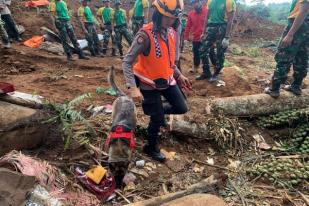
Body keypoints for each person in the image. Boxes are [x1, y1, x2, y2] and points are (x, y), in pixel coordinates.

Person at [122, 0, 192, 162]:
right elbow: (127, 62)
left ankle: (156, 111)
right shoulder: (144, 35)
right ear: (158, 14)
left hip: (167, 80)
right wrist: (132, 88)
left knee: (182, 107)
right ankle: (150, 147)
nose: (170, 21)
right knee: (158, 120)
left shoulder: (171, 33)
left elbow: (169, 61)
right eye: (166, 17)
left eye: (173, 19)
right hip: (148, 84)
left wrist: (179, 75)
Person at [265, 0, 309, 98]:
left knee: (284, 55)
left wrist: (290, 34)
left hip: (297, 24)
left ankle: (274, 89)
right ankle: (296, 86)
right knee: (302, 56)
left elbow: (304, 10)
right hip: (306, 27)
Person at [197, 0, 236, 82]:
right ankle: (206, 72)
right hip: (210, 27)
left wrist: (227, 37)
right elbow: (206, 18)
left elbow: (230, 20)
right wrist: (203, 32)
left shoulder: (229, 2)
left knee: (220, 52)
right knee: (203, 50)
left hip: (222, 28)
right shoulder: (210, 1)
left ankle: (216, 73)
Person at [184, 0, 216, 73]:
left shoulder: (207, 11)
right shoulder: (191, 14)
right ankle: (196, 67)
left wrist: (214, 37)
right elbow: (188, 26)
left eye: (196, 2)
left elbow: (212, 23)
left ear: (200, 2)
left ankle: (215, 66)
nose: (195, 4)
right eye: (193, 3)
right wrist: (186, 37)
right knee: (196, 53)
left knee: (211, 52)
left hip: (207, 37)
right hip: (196, 37)